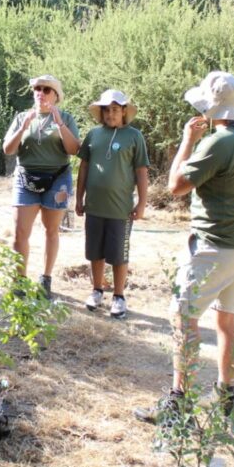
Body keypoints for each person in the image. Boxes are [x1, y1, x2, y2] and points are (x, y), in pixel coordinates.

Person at [136, 71, 234, 424]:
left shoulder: (220, 142)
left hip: (216, 247)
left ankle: (178, 403)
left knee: (183, 317)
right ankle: (225, 397)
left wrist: (187, 141)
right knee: (227, 319)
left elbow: (175, 186)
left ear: (215, 108)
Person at [2, 75, 81, 298]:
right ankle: (19, 281)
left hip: (57, 180)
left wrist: (60, 124)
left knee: (51, 230)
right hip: (25, 178)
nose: (41, 93)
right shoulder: (21, 117)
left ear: (56, 96)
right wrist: (23, 127)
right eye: (37, 88)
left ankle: (45, 279)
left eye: (47, 90)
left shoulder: (65, 117)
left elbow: (74, 149)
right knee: (20, 232)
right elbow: (8, 150)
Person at [75, 89, 149, 320]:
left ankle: (118, 296)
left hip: (121, 209)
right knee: (94, 251)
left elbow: (141, 171)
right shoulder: (94, 135)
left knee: (118, 254)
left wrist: (142, 204)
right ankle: (96, 290)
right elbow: (84, 168)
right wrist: (78, 198)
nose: (111, 114)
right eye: (106, 110)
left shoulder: (134, 136)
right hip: (94, 206)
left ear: (124, 111)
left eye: (115, 109)